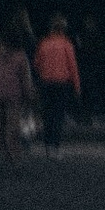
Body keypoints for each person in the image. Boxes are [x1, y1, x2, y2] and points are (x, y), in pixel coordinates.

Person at [0, 15, 33, 174]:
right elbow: (25, 79)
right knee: (12, 128)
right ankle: (15, 161)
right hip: (13, 94)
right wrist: (30, 95)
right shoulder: (20, 56)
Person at [31, 15, 81, 153]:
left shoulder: (43, 43)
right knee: (58, 114)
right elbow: (72, 66)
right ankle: (55, 145)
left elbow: (36, 64)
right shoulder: (67, 44)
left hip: (46, 82)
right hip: (61, 83)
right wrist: (77, 85)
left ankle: (47, 144)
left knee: (47, 114)